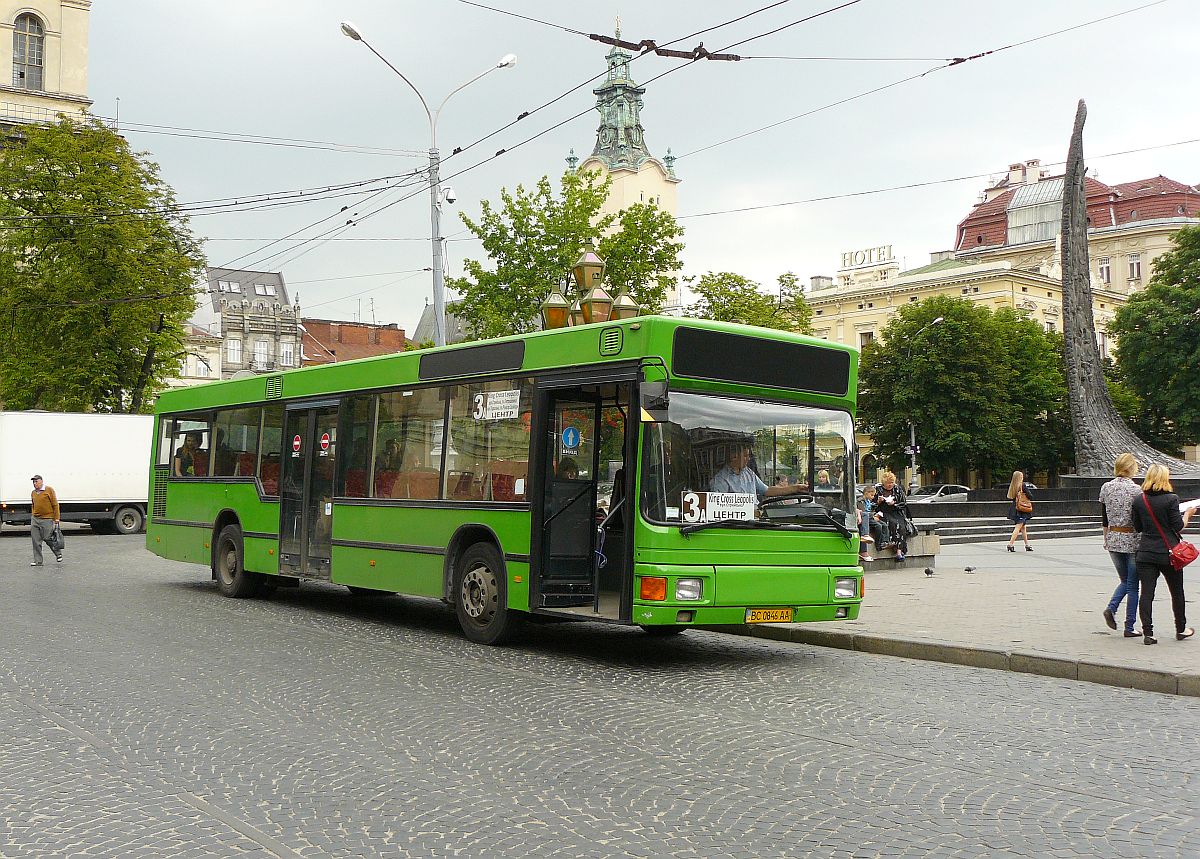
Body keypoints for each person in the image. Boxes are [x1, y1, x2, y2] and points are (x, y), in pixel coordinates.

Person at [1130, 464, 1194, 645]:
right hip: (1168, 554)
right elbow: (1178, 527)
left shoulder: (1139, 500)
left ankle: (1148, 633)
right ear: (1165, 478)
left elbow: (1139, 527)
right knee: (1177, 592)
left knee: (1147, 593)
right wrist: (1188, 514)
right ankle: (1181, 629)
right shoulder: (1171, 499)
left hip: (1146, 553)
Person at [1099, 453, 1142, 637]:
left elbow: (1104, 517)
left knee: (1125, 581)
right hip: (1131, 539)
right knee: (1133, 585)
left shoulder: (1106, 487)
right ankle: (1129, 625)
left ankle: (1111, 609)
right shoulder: (1136, 490)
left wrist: (1106, 538)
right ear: (1132, 468)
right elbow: (1139, 518)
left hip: (1113, 538)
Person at [709, 443, 790, 501]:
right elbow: (719, 506)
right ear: (734, 457)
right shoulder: (720, 480)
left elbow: (767, 491)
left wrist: (794, 488)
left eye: (748, 456)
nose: (748, 459)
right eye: (745, 456)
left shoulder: (748, 472)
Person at [873, 471, 911, 561]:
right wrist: (879, 501)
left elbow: (903, 502)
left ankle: (899, 551)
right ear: (883, 483)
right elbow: (872, 503)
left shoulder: (897, 489)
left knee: (901, 526)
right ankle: (895, 547)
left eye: (892, 483)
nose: (890, 485)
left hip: (896, 512)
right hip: (883, 512)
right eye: (888, 483)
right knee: (893, 524)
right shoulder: (878, 489)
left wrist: (894, 503)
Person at [29, 474, 62, 566]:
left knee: (48, 538)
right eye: (33, 482)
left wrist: (57, 518)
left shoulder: (49, 490)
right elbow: (33, 505)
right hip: (35, 519)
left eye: (36, 481)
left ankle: (58, 553)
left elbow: (55, 505)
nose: (34, 483)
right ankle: (38, 561)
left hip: (47, 518)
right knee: (35, 540)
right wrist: (33, 514)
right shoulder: (33, 492)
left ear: (41, 481)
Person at [1004, 470, 1035, 552]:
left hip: (1015, 508)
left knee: (1023, 527)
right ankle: (1010, 544)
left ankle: (1027, 545)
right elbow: (1030, 496)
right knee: (1018, 527)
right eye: (1021, 476)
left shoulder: (1013, 486)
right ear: (1020, 477)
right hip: (1021, 509)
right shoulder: (1022, 485)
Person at [855, 485, 880, 562]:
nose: (873, 497)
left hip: (865, 517)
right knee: (866, 521)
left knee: (881, 525)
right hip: (863, 517)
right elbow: (863, 512)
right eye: (871, 495)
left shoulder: (869, 501)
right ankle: (865, 536)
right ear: (866, 493)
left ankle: (881, 543)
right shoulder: (860, 501)